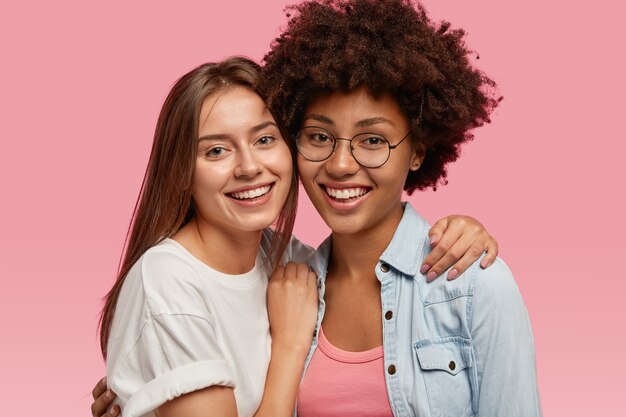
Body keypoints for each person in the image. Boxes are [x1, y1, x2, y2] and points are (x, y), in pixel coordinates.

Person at [91, 54, 499, 416]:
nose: (249, 167)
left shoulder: (293, 262)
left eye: (265, 139)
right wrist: (289, 345)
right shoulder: (169, 281)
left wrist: (462, 231)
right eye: (216, 150)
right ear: (180, 172)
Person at [260, 0, 542, 415]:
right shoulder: (284, 287)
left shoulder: (473, 285)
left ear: (416, 152)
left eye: (372, 141)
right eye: (319, 137)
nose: (340, 165)